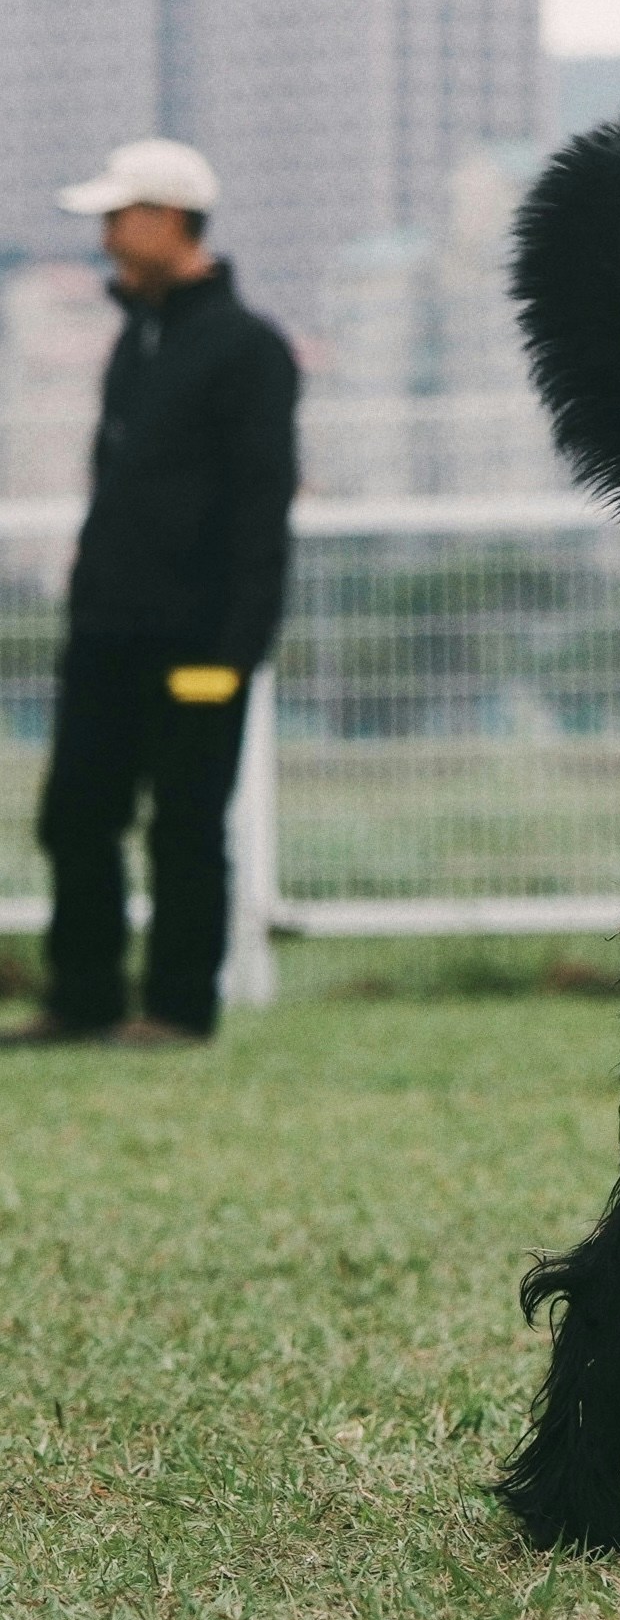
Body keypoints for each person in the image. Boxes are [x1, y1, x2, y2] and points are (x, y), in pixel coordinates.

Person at [5, 140, 298, 1047]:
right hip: (106, 631)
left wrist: (235, 648)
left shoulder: (249, 349)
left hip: (199, 642)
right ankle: (83, 998)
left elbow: (261, 510)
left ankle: (176, 1009)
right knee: (76, 813)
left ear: (167, 219)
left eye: (116, 214)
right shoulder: (138, 336)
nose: (103, 232)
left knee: (184, 823)